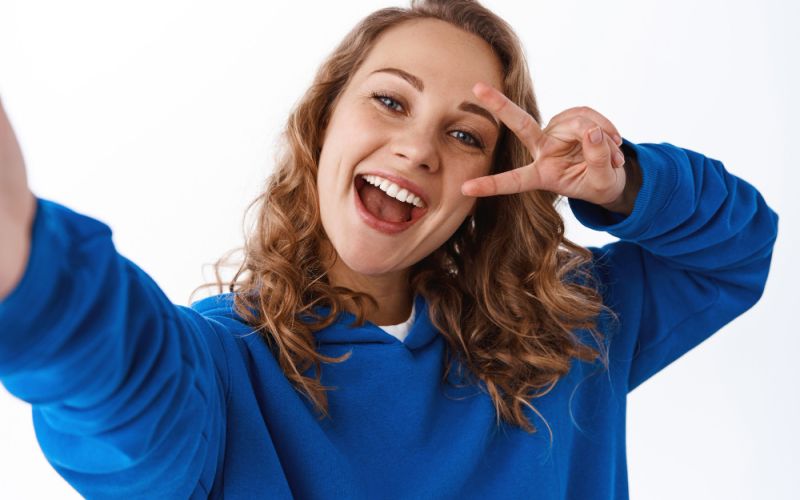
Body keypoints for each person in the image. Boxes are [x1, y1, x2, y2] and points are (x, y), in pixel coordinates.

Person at [0, 0, 779, 498]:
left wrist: (617, 184)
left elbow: (736, 250)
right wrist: (29, 270)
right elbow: (116, 386)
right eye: (390, 100)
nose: (417, 148)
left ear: (496, 178)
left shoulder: (571, 332)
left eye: (464, 134)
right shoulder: (222, 368)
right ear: (323, 124)